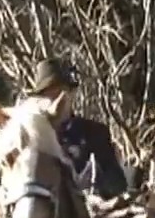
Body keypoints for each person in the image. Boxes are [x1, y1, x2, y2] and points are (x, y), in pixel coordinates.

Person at [28, 58, 128, 199]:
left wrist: (96, 185)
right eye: (48, 95)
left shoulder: (95, 132)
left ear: (72, 94)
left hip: (90, 213)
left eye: (60, 93)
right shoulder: (33, 139)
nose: (56, 101)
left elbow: (118, 184)